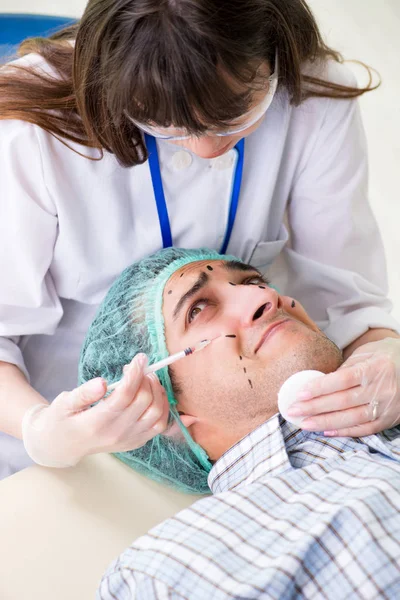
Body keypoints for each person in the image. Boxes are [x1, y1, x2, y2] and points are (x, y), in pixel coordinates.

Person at [1, 0, 400, 479]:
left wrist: (384, 352)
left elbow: (348, 299)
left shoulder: (312, 99)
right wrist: (40, 428)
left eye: (236, 112)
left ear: (275, 51)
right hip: (42, 442)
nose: (207, 147)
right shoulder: (29, 134)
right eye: (164, 123)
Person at [92, 249, 400, 599]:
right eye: (198, 309)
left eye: (254, 281)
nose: (264, 295)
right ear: (167, 416)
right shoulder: (164, 572)